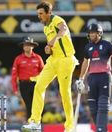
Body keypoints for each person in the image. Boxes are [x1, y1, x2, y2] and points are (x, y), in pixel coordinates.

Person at [22, 1, 78, 132]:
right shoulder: (46, 27)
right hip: (53, 60)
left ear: (49, 13)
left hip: (66, 60)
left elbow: (64, 30)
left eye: (41, 14)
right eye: (38, 14)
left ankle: (70, 126)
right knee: (39, 86)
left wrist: (54, 40)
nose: (39, 16)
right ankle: (35, 121)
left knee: (64, 93)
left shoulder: (57, 19)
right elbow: (53, 47)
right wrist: (49, 49)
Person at [75, 23, 112, 132]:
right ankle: (102, 129)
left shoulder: (108, 45)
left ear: (99, 33)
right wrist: (81, 79)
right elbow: (85, 63)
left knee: (103, 105)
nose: (91, 35)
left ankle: (101, 130)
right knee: (92, 107)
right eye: (90, 33)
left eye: (93, 33)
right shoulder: (88, 47)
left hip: (104, 76)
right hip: (92, 78)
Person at [11, 37, 44, 119]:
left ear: (32, 46)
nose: (27, 47)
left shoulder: (38, 58)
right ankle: (30, 123)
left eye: (29, 45)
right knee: (29, 105)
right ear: (23, 47)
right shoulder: (18, 59)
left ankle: (37, 123)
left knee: (37, 104)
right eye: (25, 45)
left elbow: (44, 73)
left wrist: (43, 85)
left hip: (36, 84)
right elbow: (14, 75)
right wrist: (15, 90)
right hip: (24, 85)